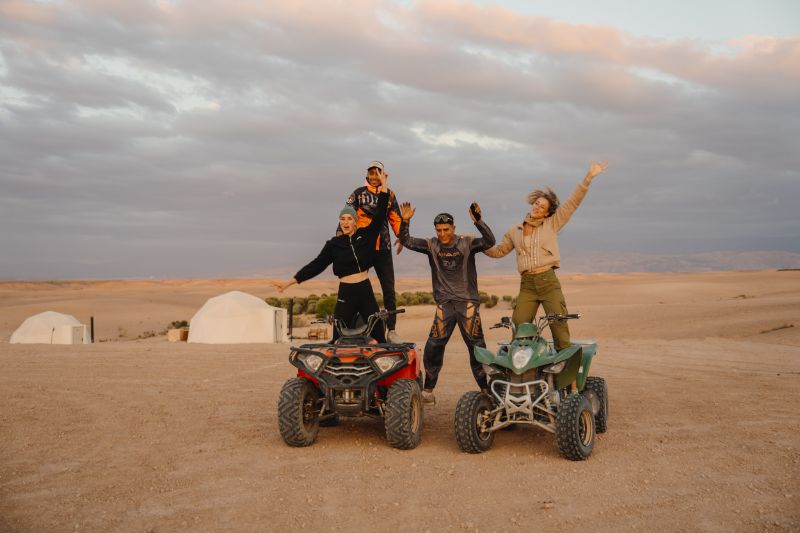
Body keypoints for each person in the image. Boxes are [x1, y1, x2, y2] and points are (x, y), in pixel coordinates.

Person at [483, 161, 608, 351]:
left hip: (548, 282)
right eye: (537, 204)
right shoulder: (515, 230)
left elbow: (573, 203)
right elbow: (499, 251)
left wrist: (588, 178)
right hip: (527, 286)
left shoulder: (552, 224)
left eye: (542, 207)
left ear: (547, 213)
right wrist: (478, 245)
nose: (537, 208)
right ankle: (522, 364)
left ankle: (566, 367)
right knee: (518, 326)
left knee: (559, 325)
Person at [271, 172, 391, 343]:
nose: (345, 222)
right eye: (342, 219)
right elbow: (316, 265)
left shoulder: (366, 236)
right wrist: (289, 282)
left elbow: (379, 214)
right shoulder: (334, 244)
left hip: (365, 290)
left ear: (355, 221)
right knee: (337, 338)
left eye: (349, 218)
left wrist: (384, 186)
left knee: (379, 335)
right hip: (346, 293)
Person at [398, 201, 495, 405]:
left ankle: (486, 390)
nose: (442, 234)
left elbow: (489, 241)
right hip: (445, 304)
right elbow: (406, 241)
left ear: (453, 228)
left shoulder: (466, 243)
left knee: (477, 347)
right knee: (433, 346)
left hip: (467, 303)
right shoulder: (431, 245)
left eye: (446, 229)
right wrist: (405, 222)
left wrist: (479, 221)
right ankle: (428, 391)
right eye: (439, 230)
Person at [341, 161, 404, 343]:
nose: (374, 176)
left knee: (389, 290)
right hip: (362, 247)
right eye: (371, 173)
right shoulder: (358, 193)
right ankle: (348, 329)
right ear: (367, 175)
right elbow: (346, 216)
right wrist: (342, 239)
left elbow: (396, 218)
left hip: (383, 248)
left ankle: (391, 330)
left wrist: (402, 237)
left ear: (384, 174)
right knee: (354, 285)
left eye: (378, 172)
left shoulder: (390, 195)